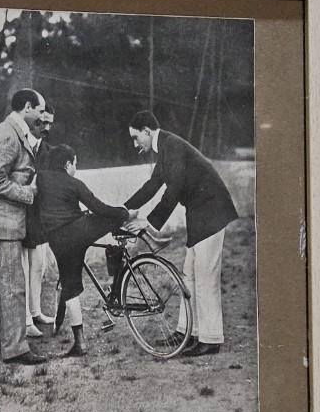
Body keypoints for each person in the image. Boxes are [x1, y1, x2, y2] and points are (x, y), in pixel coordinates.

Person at [124, 110, 238, 357]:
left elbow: (173, 189)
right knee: (189, 276)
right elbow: (152, 186)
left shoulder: (171, 145)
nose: (135, 144)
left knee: (205, 276)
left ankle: (210, 339)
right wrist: (124, 210)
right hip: (199, 213)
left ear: (147, 131)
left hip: (211, 211)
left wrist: (148, 222)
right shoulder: (166, 147)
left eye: (136, 138)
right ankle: (188, 332)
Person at [34, 144, 136, 357]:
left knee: (70, 286)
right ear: (67, 164)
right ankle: (119, 273)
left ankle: (80, 343)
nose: (76, 168)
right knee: (112, 217)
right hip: (80, 230)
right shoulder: (74, 183)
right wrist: (124, 213)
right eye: (75, 164)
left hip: (58, 241)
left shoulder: (41, 179)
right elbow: (99, 208)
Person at [0, 89, 48, 365]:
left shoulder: (13, 132)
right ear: (27, 107)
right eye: (40, 110)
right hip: (3, 222)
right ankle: (16, 349)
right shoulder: (7, 135)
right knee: (13, 285)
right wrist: (28, 193)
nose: (42, 116)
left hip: (5, 221)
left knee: (5, 284)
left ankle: (5, 343)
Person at [23, 105, 58, 338]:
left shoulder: (49, 151)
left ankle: (35, 312)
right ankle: (26, 320)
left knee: (39, 266)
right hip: (21, 213)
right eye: (42, 122)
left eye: (49, 123)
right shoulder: (21, 146)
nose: (46, 127)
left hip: (40, 215)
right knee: (24, 269)